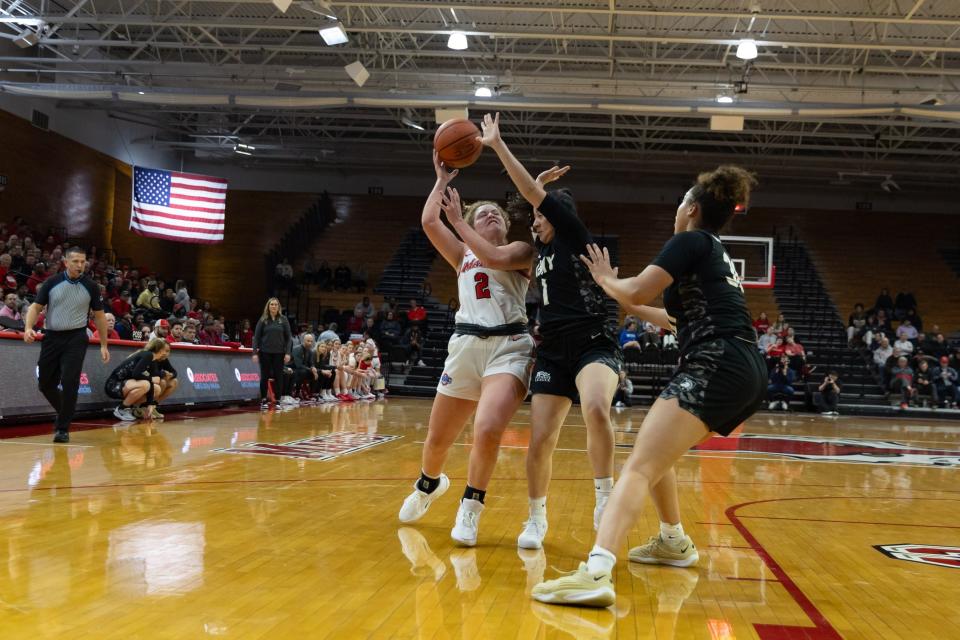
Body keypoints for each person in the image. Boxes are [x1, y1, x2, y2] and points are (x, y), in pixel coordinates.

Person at [531, 164, 765, 607]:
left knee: (638, 465)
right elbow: (666, 316)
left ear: (691, 208)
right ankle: (673, 540)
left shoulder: (690, 240)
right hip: (741, 366)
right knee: (657, 453)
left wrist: (606, 281)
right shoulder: (712, 252)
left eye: (681, 202)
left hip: (716, 362)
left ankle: (597, 570)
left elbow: (636, 291)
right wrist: (620, 293)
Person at [481, 113, 623, 551]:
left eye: (540, 216)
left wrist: (499, 145)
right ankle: (536, 518)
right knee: (541, 438)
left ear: (556, 215)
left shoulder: (574, 236)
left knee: (597, 408)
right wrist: (537, 188)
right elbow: (529, 201)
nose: (532, 223)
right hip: (554, 348)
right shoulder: (539, 248)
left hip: (593, 341)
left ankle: (604, 498)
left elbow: (531, 196)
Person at [397, 150, 536, 548]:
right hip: (465, 346)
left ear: (506, 225)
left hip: (510, 346)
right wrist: (440, 181)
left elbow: (492, 255)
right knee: (438, 439)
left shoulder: (521, 251)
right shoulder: (461, 254)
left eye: (496, 214)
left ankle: (471, 506)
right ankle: (428, 484)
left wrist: (459, 220)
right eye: (482, 214)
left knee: (488, 428)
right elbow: (427, 221)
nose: (490, 216)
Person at [24, 247, 110, 443]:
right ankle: (67, 411)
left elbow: (99, 317)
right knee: (45, 384)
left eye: (83, 261)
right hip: (52, 337)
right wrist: (28, 327)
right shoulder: (52, 282)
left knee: (70, 381)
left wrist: (104, 345)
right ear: (65, 262)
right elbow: (35, 307)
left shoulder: (91, 286)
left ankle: (62, 427)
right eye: (76, 261)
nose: (80, 265)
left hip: (76, 338)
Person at [105, 338, 170, 421]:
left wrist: (149, 404)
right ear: (159, 350)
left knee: (156, 389)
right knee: (146, 384)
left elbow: (151, 381)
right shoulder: (147, 355)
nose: (166, 353)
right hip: (114, 385)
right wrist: (151, 379)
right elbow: (136, 374)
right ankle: (121, 409)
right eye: (165, 350)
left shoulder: (153, 360)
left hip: (128, 384)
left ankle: (133, 408)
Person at [252, 297, 293, 409]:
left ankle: (278, 400)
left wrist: (288, 353)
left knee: (279, 376)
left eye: (275, 304)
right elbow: (256, 337)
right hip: (265, 352)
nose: (274, 306)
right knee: (264, 376)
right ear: (268, 306)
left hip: (279, 353)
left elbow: (289, 338)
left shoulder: (283, 320)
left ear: (278, 307)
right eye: (271, 304)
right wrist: (254, 353)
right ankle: (264, 400)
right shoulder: (263, 319)